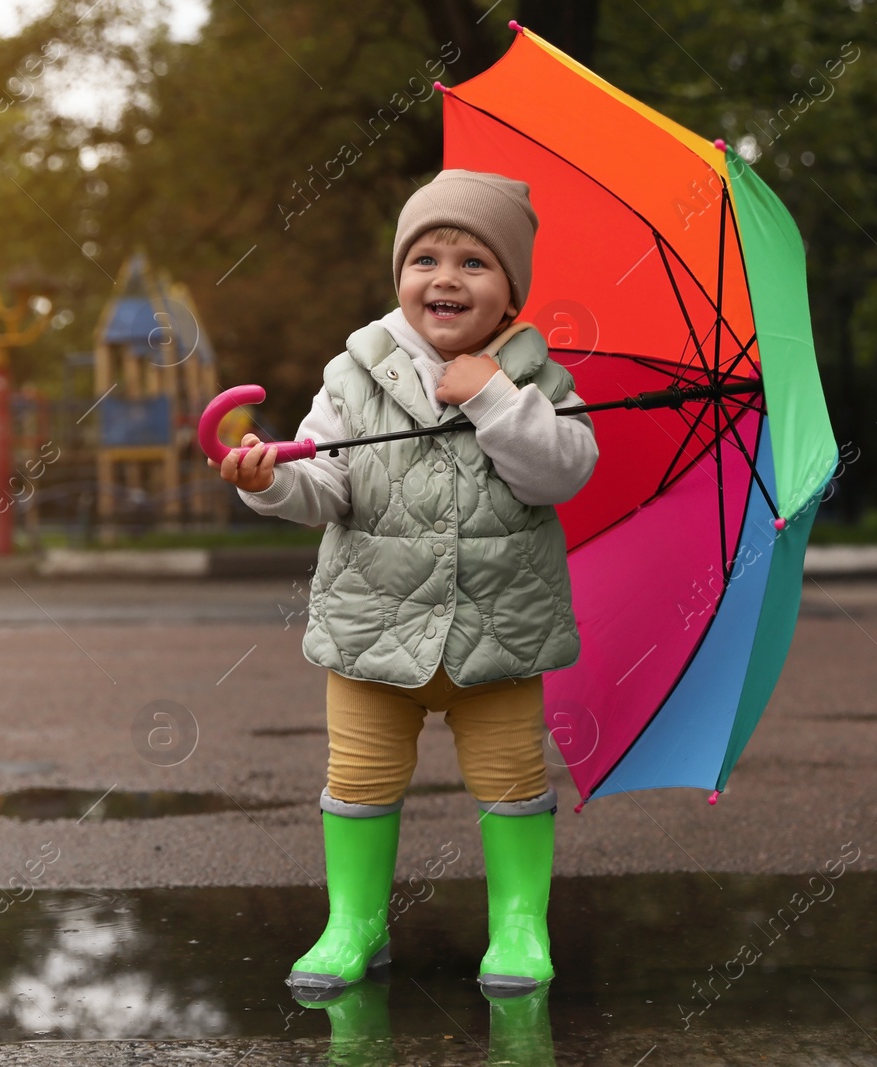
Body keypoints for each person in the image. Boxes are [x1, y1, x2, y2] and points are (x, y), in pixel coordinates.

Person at [208, 169, 598, 997]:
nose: (446, 277)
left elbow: (559, 473)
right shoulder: (356, 375)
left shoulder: (541, 382)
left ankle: (519, 925)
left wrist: (494, 398)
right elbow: (327, 488)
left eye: (474, 262)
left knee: (513, 783)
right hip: (371, 634)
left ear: (511, 294)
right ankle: (354, 922)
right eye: (425, 257)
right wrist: (267, 482)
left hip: (500, 638)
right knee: (356, 781)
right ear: (400, 279)